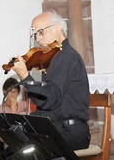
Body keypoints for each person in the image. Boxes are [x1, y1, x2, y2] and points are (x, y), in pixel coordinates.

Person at [11, 10, 90, 150]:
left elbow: (50, 100)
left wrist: (25, 77)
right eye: (35, 35)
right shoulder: (53, 58)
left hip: (69, 132)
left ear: (58, 28)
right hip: (55, 127)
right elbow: (43, 101)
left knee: (20, 157)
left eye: (41, 32)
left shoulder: (66, 57)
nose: (38, 39)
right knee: (14, 147)